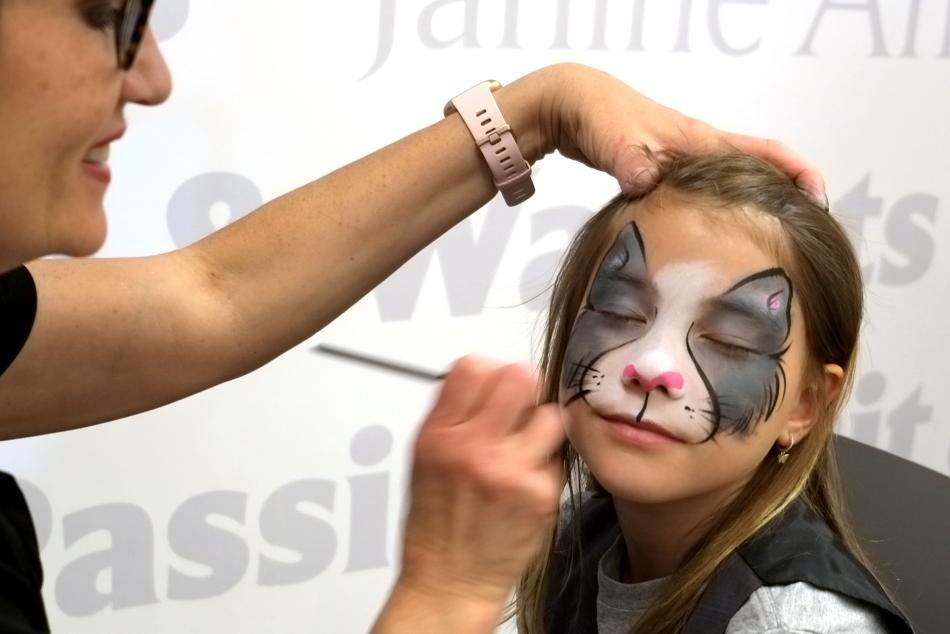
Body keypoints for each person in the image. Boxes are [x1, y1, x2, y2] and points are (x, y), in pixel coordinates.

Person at [0, 1, 825, 632]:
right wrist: (446, 594)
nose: (153, 78)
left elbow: (212, 298)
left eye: (725, 336)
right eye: (111, 13)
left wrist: (537, 110)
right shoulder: (577, 558)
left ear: (808, 406)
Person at [507, 152, 914, 633]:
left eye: (728, 342)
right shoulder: (570, 537)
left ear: (804, 405)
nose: (653, 367)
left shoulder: (788, 626)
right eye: (619, 311)